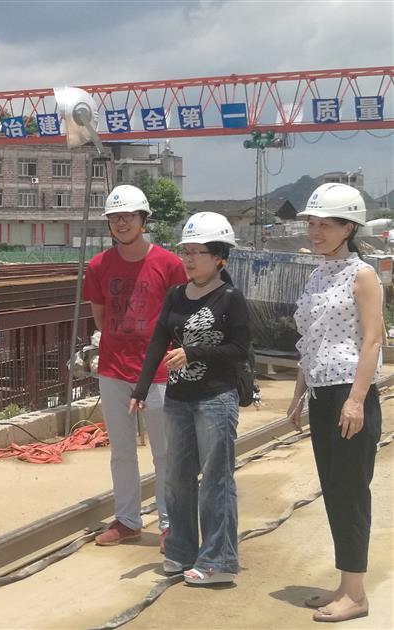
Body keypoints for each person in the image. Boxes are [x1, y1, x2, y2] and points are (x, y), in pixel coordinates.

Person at [130, 211, 249, 586]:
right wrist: (141, 388)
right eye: (186, 251)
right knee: (177, 478)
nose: (189, 258)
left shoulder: (230, 299)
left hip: (215, 399)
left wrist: (194, 353)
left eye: (197, 252)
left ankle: (218, 561)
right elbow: (158, 341)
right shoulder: (176, 295)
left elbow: (240, 350)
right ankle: (181, 551)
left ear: (219, 257)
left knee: (215, 479)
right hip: (179, 399)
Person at [288, 184, 383, 623]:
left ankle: (356, 595)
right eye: (311, 223)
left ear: (349, 228)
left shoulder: (363, 275)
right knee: (334, 491)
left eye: (325, 224)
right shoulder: (318, 274)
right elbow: (310, 340)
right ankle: (345, 585)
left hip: (349, 392)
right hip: (322, 393)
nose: (315, 231)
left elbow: (373, 339)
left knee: (350, 493)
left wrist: (357, 401)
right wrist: (298, 394)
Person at [81, 185, 187, 549]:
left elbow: (181, 317)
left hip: (159, 372)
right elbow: (100, 316)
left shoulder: (169, 264)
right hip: (114, 369)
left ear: (143, 220)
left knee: (165, 451)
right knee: (122, 451)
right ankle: (127, 520)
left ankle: (171, 524)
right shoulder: (98, 266)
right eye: (115, 217)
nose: (121, 223)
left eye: (128, 216)